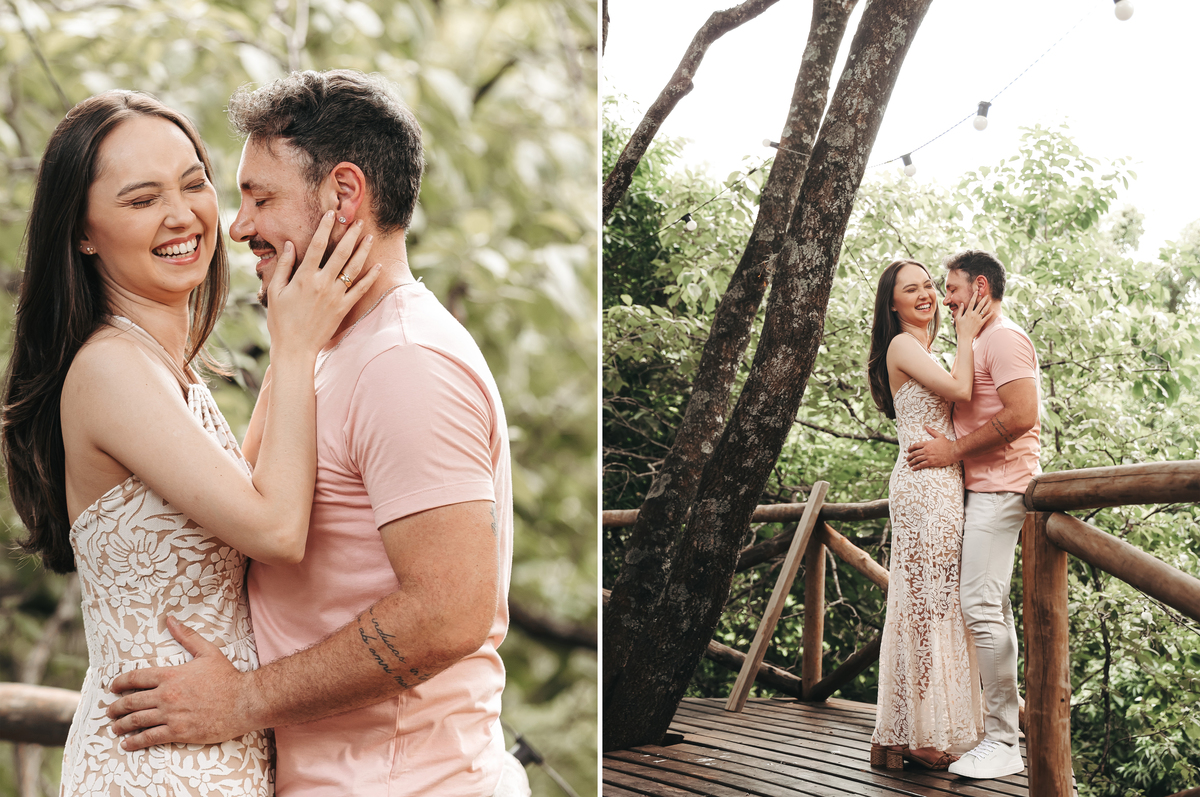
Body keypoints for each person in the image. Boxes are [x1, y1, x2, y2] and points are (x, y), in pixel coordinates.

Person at [105, 70, 528, 797]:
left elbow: (452, 609)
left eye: (260, 197)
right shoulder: (327, 342)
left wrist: (241, 699)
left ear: (343, 194)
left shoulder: (406, 361)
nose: (237, 227)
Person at [1, 90, 379, 795]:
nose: (183, 215)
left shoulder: (162, 365)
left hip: (209, 754)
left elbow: (258, 481)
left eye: (194, 181)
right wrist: (294, 349)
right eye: (142, 199)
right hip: (159, 766)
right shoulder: (110, 368)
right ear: (83, 231)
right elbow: (276, 527)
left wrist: (299, 321)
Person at [906, 249, 1040, 780]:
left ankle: (1004, 741)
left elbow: (1023, 415)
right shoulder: (980, 341)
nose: (946, 298)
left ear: (979, 288)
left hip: (1002, 489)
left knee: (980, 607)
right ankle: (1001, 733)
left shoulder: (1004, 338)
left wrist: (952, 452)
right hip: (980, 489)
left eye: (952, 288)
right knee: (991, 608)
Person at [865, 258, 990, 771]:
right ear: (892, 304)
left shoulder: (924, 349)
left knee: (936, 604)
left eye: (927, 287)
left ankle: (914, 727)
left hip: (942, 484)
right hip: (922, 488)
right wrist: (967, 334)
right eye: (909, 289)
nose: (924, 295)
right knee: (924, 606)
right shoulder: (902, 345)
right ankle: (914, 733)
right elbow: (961, 391)